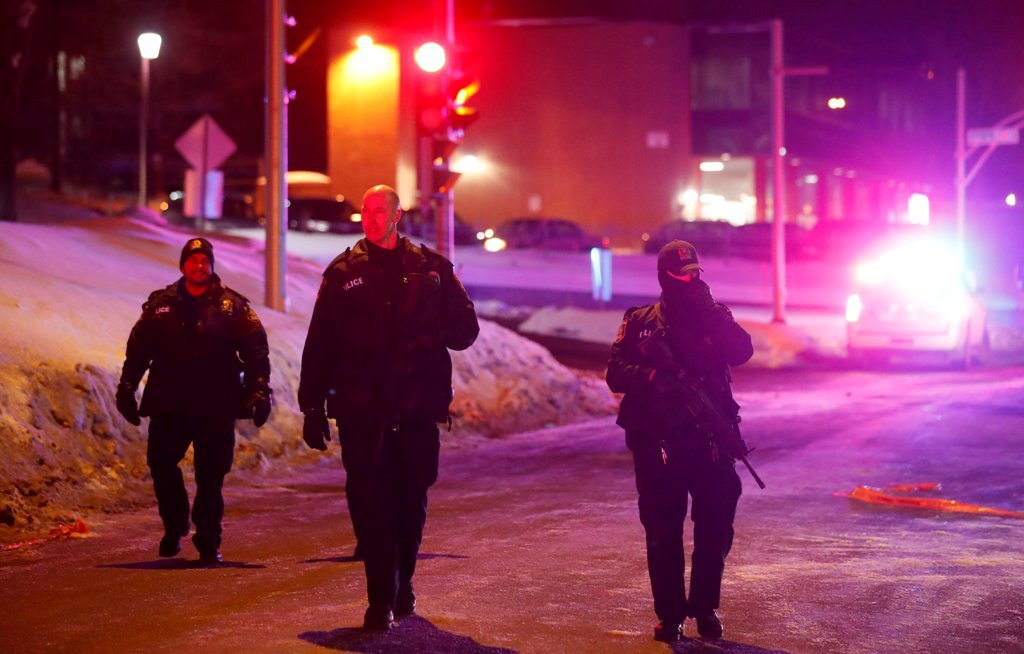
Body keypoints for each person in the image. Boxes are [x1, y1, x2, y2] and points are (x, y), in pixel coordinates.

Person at [298, 185, 479, 631]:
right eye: (365, 210)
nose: (371, 217)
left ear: (398, 215)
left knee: (411, 501)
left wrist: (427, 331)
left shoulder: (432, 268)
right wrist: (312, 407)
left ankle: (402, 584)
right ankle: (380, 598)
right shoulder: (344, 273)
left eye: (380, 210)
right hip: (363, 409)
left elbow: (465, 331)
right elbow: (319, 343)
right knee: (371, 502)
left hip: (416, 408)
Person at [606, 240, 753, 642]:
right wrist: (653, 378)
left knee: (715, 529)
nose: (690, 280)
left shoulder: (714, 316)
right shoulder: (640, 321)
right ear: (664, 277)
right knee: (662, 530)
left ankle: (704, 608)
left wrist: (709, 313)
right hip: (660, 443)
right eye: (681, 274)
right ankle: (669, 616)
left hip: (710, 441)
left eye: (695, 273)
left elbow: (742, 351)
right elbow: (616, 372)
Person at [116, 237, 272, 564]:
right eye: (193, 261)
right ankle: (174, 526)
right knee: (160, 464)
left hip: (215, 404)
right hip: (170, 403)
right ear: (183, 265)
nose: (199, 267)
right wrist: (127, 386)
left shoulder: (232, 306)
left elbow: (256, 350)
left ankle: (208, 541)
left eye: (204, 261)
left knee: (210, 477)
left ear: (211, 266)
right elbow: (139, 349)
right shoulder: (162, 305)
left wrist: (260, 388)